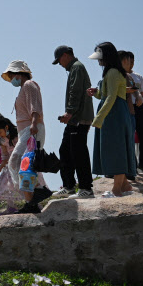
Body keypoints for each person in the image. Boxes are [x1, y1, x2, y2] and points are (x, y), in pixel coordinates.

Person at [0, 61, 52, 213]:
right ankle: (32, 201)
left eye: (11, 76)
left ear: (18, 73)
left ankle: (37, 191)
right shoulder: (25, 87)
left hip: (31, 129)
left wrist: (34, 123)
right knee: (25, 165)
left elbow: (34, 106)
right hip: (26, 130)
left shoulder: (29, 84)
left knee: (17, 161)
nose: (11, 79)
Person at [87, 42, 137, 197]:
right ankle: (124, 186)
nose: (98, 61)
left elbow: (111, 97)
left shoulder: (114, 72)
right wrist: (95, 93)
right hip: (112, 112)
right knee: (115, 148)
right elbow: (104, 95)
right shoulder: (111, 72)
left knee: (117, 150)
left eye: (100, 58)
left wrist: (98, 118)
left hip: (114, 114)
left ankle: (116, 190)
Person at [52, 46, 95, 199]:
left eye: (59, 61)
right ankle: (69, 186)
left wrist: (69, 112)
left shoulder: (77, 67)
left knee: (78, 152)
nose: (60, 64)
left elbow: (75, 91)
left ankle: (86, 188)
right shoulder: (74, 69)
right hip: (75, 119)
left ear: (65, 56)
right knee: (65, 150)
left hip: (79, 118)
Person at [122, 51, 143, 174]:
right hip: (128, 107)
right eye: (129, 61)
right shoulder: (121, 75)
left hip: (141, 108)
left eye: (132, 61)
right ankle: (132, 165)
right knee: (129, 136)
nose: (131, 64)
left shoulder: (138, 77)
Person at [0, 115, 21, 214]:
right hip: (10, 166)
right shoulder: (2, 140)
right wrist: (0, 167)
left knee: (24, 183)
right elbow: (4, 156)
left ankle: (33, 203)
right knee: (7, 184)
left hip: (21, 163)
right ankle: (11, 206)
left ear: (6, 127)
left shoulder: (18, 133)